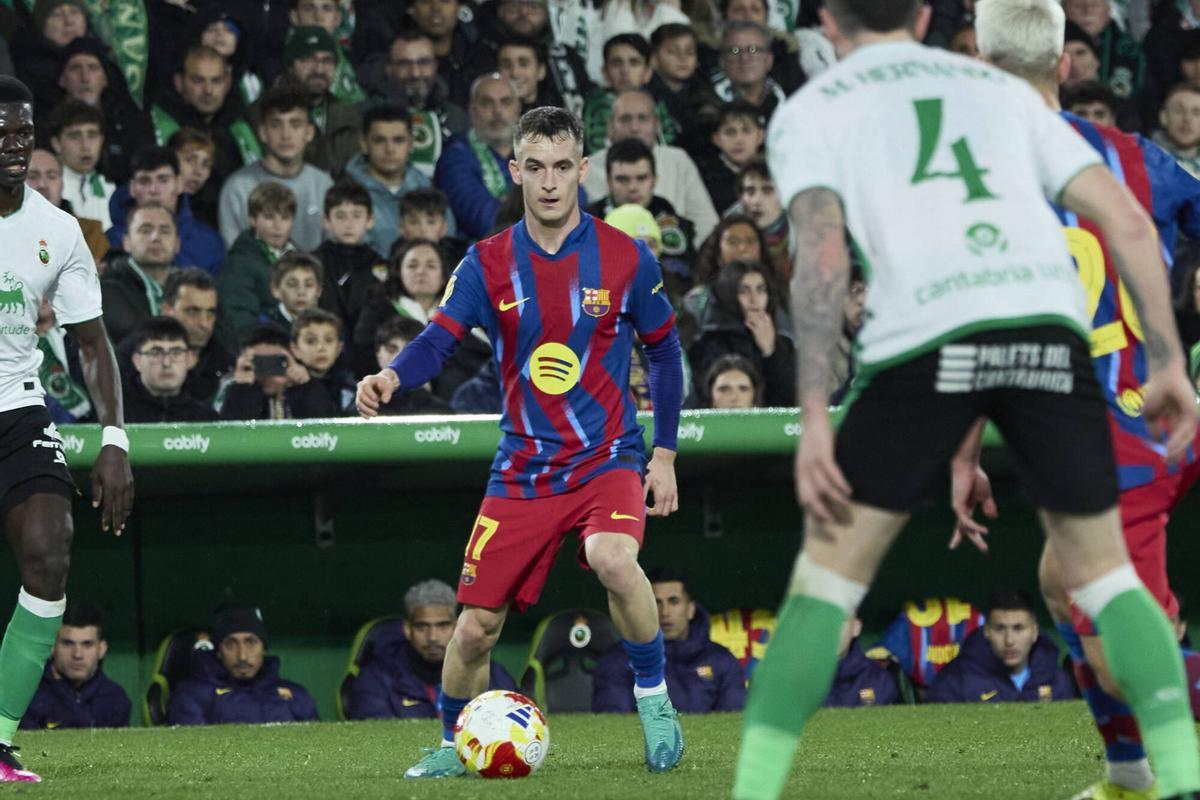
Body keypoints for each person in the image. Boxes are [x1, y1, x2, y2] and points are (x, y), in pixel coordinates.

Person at [732, 3, 1200, 800]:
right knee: (1100, 579)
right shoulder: (1004, 99)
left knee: (829, 579)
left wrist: (814, 414)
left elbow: (820, 257)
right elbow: (1123, 217)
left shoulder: (815, 107)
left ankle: (753, 791)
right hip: (1051, 337)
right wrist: (1168, 362)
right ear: (922, 17)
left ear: (823, 23)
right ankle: (1175, 779)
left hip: (928, 337)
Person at [357, 106, 685, 778]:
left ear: (584, 171)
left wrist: (666, 454)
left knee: (614, 558)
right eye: (535, 167)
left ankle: (654, 703)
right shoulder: (487, 262)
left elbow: (667, 352)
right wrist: (393, 374)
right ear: (515, 170)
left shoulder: (627, 256)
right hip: (525, 469)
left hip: (608, 458)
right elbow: (439, 337)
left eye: (563, 167)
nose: (549, 182)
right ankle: (453, 745)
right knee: (474, 629)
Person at [976, 3, 1200, 798]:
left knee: (1118, 650)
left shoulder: (981, 186)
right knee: (1053, 580)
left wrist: (962, 451)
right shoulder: (1139, 159)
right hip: (1144, 423)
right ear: (1064, 65)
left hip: (1118, 447)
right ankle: (1131, 772)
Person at [0, 75, 132, 783]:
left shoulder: (57, 230)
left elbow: (91, 343)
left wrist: (114, 439)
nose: (12, 146)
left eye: (22, 132)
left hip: (18, 406)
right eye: (0, 133)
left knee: (50, 552)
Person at [346, 579, 516, 719]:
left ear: (457, 626)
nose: (433, 637)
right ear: (407, 630)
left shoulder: (491, 674)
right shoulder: (377, 678)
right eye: (422, 626)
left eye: (442, 625)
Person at [593, 566, 746, 713]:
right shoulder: (616, 662)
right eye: (655, 602)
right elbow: (615, 729)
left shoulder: (721, 661)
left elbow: (733, 726)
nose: (664, 612)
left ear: (690, 609)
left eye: (674, 601)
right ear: (642, 608)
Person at [584, 89, 718, 243]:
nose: (634, 127)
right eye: (625, 119)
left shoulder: (677, 160)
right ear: (610, 125)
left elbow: (705, 222)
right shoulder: (586, 169)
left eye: (643, 118)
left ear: (657, 123)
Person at [218, 87, 334, 252]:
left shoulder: (324, 185)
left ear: (309, 132)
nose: (286, 134)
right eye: (276, 125)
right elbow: (235, 256)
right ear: (263, 132)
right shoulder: (237, 188)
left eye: (295, 124)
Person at [166, 605, 319, 726]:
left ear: (264, 648)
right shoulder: (191, 696)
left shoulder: (296, 695)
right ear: (218, 651)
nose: (242, 656)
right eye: (230, 644)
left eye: (251, 642)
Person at [148, 45, 261, 194]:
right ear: (179, 83)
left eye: (216, 81)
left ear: (227, 83)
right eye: (198, 80)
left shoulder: (240, 125)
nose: (208, 90)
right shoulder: (157, 121)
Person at [927, 591, 1074, 704]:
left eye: (1018, 628)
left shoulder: (1058, 681)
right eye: (1000, 629)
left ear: (1034, 632)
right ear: (987, 632)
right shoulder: (954, 683)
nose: (1009, 640)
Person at [105, 146, 224, 278]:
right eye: (145, 181)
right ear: (132, 188)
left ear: (179, 184)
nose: (154, 190)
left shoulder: (209, 243)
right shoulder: (108, 242)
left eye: (163, 180)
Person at [688, 259, 794, 407]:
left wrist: (771, 353)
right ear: (728, 295)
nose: (754, 299)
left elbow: (791, 404)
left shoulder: (784, 345)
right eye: (743, 291)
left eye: (760, 290)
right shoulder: (707, 346)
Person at [434, 74, 521, 241]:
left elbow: (573, 198)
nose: (497, 111)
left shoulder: (537, 152)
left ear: (518, 109)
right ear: (472, 110)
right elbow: (487, 221)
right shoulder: (455, 157)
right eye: (487, 103)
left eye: (505, 102)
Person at [343, 104, 435, 259]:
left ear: (411, 143)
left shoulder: (428, 189)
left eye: (398, 140)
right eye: (379, 140)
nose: (389, 149)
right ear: (364, 144)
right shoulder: (345, 192)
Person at [21, 603, 130, 730]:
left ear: (101, 649)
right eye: (68, 643)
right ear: (52, 646)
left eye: (87, 644)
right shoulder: (26, 695)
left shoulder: (115, 698)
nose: (77, 654)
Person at [272, 26, 362, 175]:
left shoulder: (351, 117)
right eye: (308, 59)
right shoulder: (264, 115)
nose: (319, 69)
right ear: (290, 66)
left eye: (327, 61)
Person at [219, 182, 299, 334]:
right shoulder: (239, 263)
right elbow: (239, 318)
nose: (278, 226)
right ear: (252, 219)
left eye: (285, 218)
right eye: (269, 217)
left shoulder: (300, 257)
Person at [99, 202, 180, 345]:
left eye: (165, 231)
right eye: (145, 230)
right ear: (126, 242)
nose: (155, 237)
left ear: (177, 244)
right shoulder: (106, 292)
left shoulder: (191, 287)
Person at [316, 178, 386, 336]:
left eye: (357, 215)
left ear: (370, 220)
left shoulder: (379, 264)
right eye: (340, 216)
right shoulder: (315, 263)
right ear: (326, 221)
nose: (349, 224)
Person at [123, 316, 219, 423]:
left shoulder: (208, 420)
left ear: (189, 359)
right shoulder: (114, 416)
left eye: (176, 352)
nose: (167, 363)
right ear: (137, 361)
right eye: (156, 353)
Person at [25, 147, 108, 264]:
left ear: (62, 185)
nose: (42, 184)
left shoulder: (89, 233)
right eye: (32, 176)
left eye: (52, 176)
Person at [47, 100, 113, 231]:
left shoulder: (110, 189)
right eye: (75, 136)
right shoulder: (45, 188)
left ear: (102, 140)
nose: (86, 146)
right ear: (57, 144)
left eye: (92, 135)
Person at [696, 100, 765, 217]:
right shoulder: (704, 178)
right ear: (716, 139)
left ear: (760, 136)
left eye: (746, 131)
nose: (739, 140)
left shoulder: (775, 171)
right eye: (730, 132)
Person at [823, 613, 898, 708]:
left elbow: (871, 717)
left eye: (841, 621)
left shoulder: (872, 680)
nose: (832, 630)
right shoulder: (802, 678)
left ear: (856, 627)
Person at [290, 308, 353, 413]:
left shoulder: (350, 389)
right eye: (310, 341)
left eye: (329, 340)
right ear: (295, 349)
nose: (321, 347)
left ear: (338, 348)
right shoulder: (287, 388)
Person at [1155, 83, 1200, 179]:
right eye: (1178, 111)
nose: (1187, 119)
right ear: (1163, 117)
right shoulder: (1141, 160)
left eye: (1196, 113)